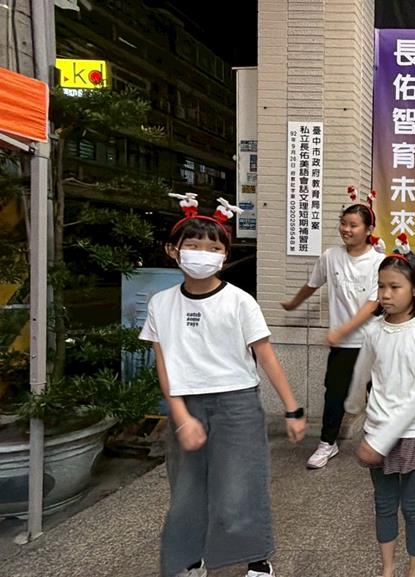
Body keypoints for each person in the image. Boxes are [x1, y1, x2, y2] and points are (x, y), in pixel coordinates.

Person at [141, 197, 306, 577]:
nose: (203, 253)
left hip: (237, 404)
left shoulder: (240, 301)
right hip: (186, 405)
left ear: (225, 255)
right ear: (173, 250)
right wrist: (181, 416)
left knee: (239, 490)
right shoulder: (161, 304)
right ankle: (190, 559)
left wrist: (292, 409)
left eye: (213, 247)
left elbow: (266, 356)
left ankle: (257, 559)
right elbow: (164, 364)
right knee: (186, 492)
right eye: (193, 245)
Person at [344, 238, 415, 577]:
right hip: (377, 431)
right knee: (384, 504)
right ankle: (387, 569)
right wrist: (354, 409)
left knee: (413, 506)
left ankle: (414, 568)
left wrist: (381, 440)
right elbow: (361, 373)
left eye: (394, 287)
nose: (385, 294)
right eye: (381, 286)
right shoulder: (374, 330)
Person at [280, 187, 385, 469]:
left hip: (373, 340)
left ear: (368, 230)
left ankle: (381, 443)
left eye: (353, 225)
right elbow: (312, 284)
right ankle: (328, 443)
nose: (346, 229)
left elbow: (373, 304)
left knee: (379, 393)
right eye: (343, 223)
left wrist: (342, 329)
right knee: (335, 394)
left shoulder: (378, 261)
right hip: (344, 346)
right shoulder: (331, 256)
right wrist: (294, 303)